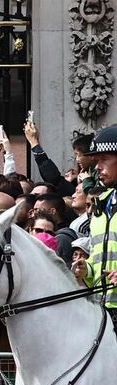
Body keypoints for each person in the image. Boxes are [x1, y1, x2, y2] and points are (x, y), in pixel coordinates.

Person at [82, 125, 117, 307]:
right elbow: (97, 257)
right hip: (101, 308)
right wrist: (85, 270)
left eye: (104, 159)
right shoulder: (100, 204)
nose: (97, 167)